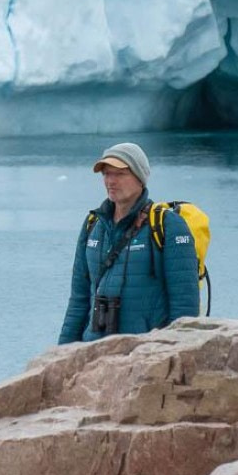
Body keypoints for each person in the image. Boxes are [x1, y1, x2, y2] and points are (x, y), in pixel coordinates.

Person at [58, 142, 199, 344]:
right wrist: (61, 355)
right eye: (106, 174)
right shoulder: (92, 225)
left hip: (144, 356)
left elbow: (185, 308)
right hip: (93, 354)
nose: (110, 181)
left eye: (119, 174)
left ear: (140, 177)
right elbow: (79, 301)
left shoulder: (168, 226)